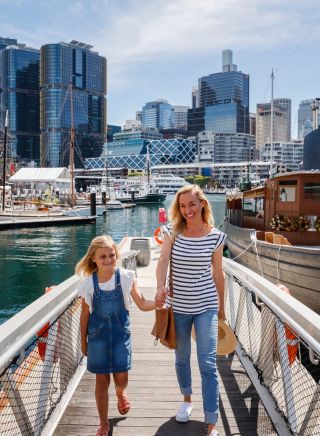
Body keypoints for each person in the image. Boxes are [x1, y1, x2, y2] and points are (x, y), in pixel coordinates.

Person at [155, 185, 226, 436]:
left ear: (203, 204)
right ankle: (186, 400)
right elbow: (163, 261)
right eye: (183, 206)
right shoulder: (172, 232)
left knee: (207, 364)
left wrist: (222, 309)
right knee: (182, 359)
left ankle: (211, 422)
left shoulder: (215, 236)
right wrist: (159, 287)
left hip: (206, 305)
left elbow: (218, 273)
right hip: (179, 308)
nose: (187, 211)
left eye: (192, 205)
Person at [76, 235, 155, 436]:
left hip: (121, 337)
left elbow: (142, 304)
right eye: (103, 256)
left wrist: (158, 302)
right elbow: (85, 316)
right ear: (93, 258)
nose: (109, 260)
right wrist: (83, 342)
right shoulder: (88, 284)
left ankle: (121, 394)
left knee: (121, 379)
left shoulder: (127, 277)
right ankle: (103, 423)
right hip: (98, 339)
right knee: (102, 382)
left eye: (112, 255)